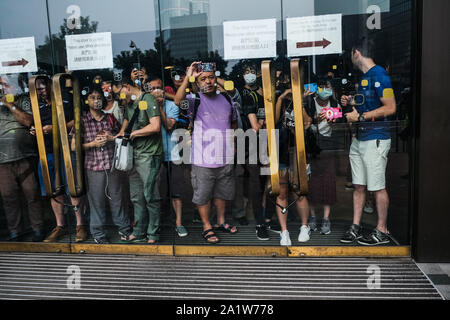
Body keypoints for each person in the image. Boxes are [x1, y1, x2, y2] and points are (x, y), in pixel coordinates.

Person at [174, 61, 238, 244]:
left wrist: (233, 144)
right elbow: (178, 101)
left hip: (224, 157)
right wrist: (188, 76)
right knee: (203, 195)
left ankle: (221, 221)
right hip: (202, 159)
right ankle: (206, 226)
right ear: (197, 81)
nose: (208, 82)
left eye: (211, 77)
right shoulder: (195, 100)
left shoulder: (226, 99)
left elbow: (233, 123)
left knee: (222, 193)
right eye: (203, 79)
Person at [341, 36, 397, 245]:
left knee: (377, 187)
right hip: (360, 138)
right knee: (359, 186)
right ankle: (355, 226)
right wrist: (351, 102)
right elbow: (366, 105)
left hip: (375, 138)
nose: (350, 57)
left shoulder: (380, 75)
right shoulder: (365, 78)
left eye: (351, 53)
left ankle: (382, 229)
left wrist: (360, 116)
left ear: (357, 52)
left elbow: (390, 107)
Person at [70, 85, 131, 244]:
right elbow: (73, 147)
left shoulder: (109, 118)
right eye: (92, 97)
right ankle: (98, 233)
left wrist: (111, 138)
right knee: (96, 201)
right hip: (93, 167)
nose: (96, 101)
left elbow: (121, 136)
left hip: (112, 166)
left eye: (98, 98)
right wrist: (92, 144)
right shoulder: (82, 121)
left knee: (117, 198)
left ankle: (124, 229)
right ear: (87, 100)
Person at [31, 78, 87, 243]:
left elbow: (77, 120)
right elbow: (35, 123)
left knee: (73, 187)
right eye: (37, 90)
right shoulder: (37, 103)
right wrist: (35, 130)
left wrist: (55, 128)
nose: (41, 92)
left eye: (42, 88)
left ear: (50, 85)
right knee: (54, 189)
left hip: (67, 149)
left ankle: (80, 225)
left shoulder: (66, 98)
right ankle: (60, 226)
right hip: (47, 150)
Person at [117, 77, 163, 244]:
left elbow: (155, 126)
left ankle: (153, 233)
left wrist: (132, 134)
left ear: (126, 87)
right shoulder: (129, 103)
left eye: (120, 94)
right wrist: (121, 132)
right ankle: (139, 232)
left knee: (151, 195)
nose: (120, 98)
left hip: (149, 155)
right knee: (136, 196)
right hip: (134, 155)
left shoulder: (148, 98)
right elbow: (128, 121)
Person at [0, 74, 44, 241]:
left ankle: (38, 228)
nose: (3, 88)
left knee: (31, 193)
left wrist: (10, 105)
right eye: (1, 86)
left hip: (25, 155)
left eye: (5, 85)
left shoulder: (23, 100)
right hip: (2, 160)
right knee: (8, 196)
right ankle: (15, 231)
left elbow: (29, 121)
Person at [148, 76, 188, 238]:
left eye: (159, 88)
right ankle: (156, 224)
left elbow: (170, 125)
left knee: (176, 192)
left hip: (173, 155)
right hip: (153, 155)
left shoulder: (172, 106)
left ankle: (178, 223)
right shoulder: (144, 106)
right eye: (153, 88)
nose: (157, 91)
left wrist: (159, 108)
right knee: (155, 192)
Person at [274, 83, 313, 245]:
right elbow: (275, 120)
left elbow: (307, 123)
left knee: (299, 191)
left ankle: (305, 226)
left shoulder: (305, 102)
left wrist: (299, 101)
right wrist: (282, 97)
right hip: (281, 152)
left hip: (299, 152)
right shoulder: (279, 101)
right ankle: (284, 231)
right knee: (281, 193)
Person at [304, 77, 340, 235]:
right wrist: (314, 120)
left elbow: (338, 128)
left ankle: (326, 218)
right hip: (312, 145)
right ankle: (312, 216)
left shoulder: (335, 104)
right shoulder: (309, 102)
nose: (326, 89)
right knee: (310, 182)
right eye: (323, 86)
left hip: (328, 145)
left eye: (328, 86)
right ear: (317, 88)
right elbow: (303, 124)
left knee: (328, 182)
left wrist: (333, 123)